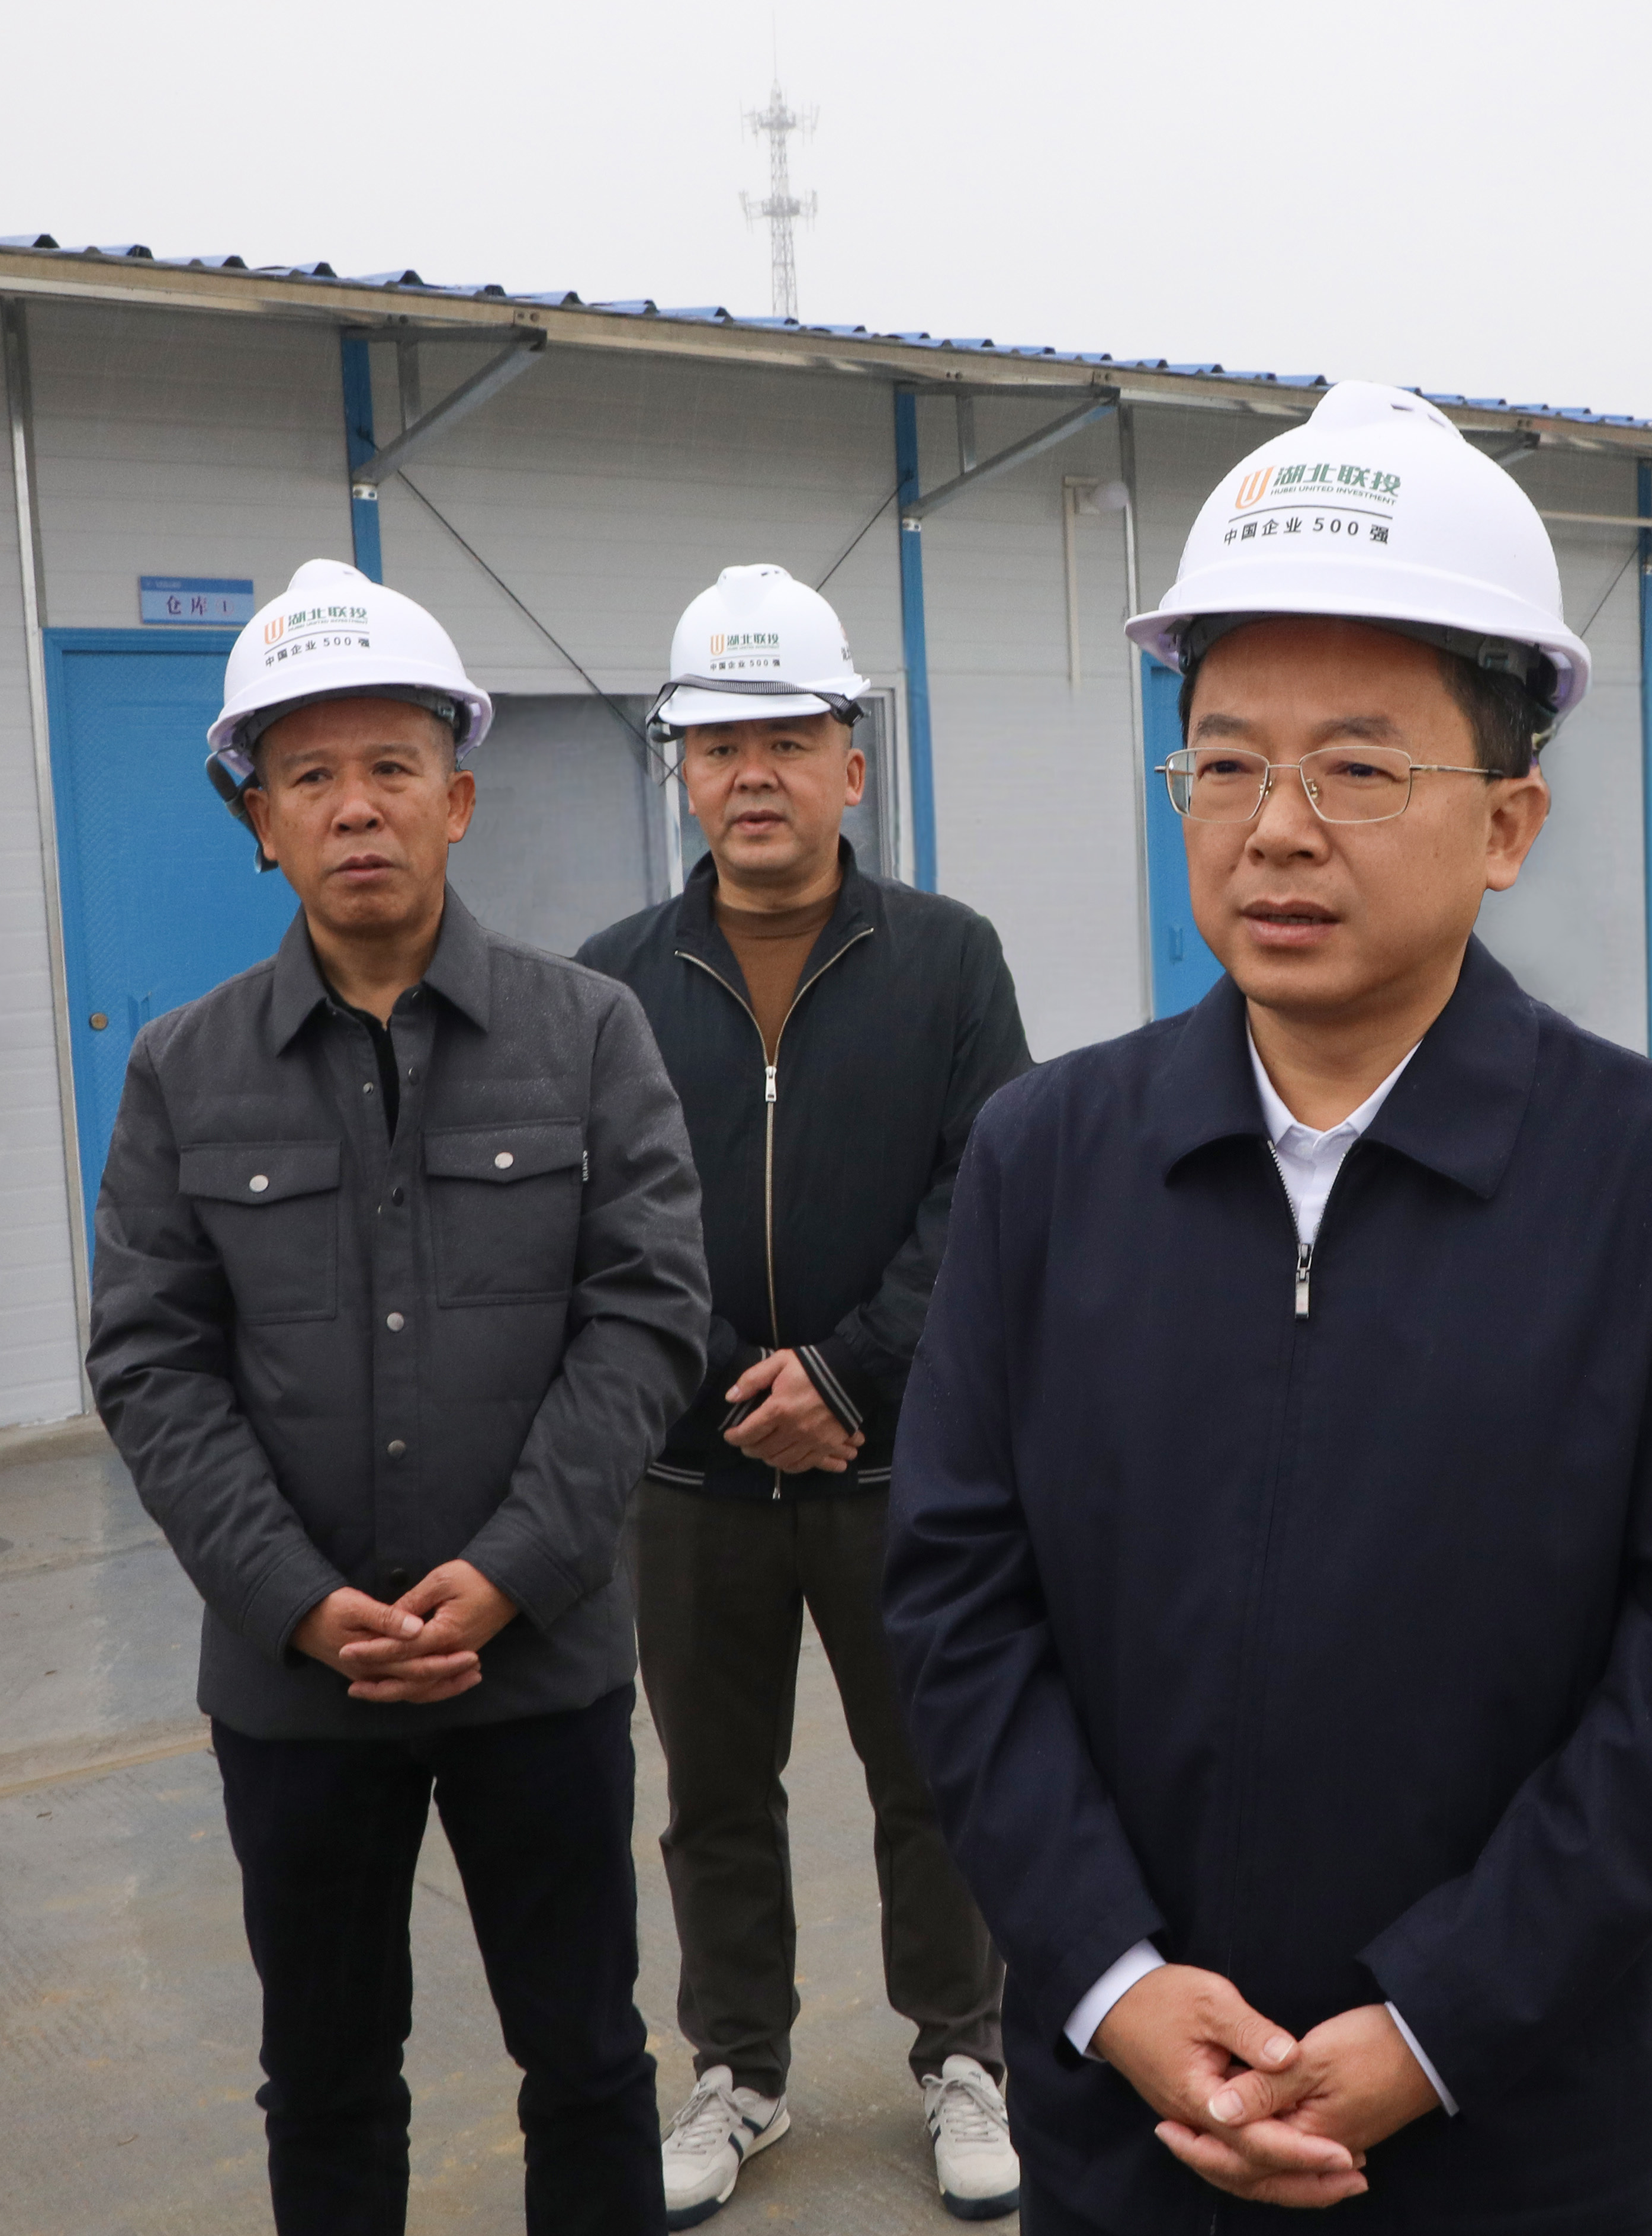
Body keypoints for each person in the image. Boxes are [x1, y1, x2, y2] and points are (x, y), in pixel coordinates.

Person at [883, 383, 1652, 2234]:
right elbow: (956, 1603)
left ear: (1510, 821)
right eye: (1226, 764)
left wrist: (1437, 2019)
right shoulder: (1044, 1163)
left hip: (1507, 2134)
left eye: (1359, 770)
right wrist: (1109, 1982)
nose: (1277, 830)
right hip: (1130, 2130)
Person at [90, 559, 711, 2236]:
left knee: (588, 2061)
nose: (354, 807)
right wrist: (298, 1602)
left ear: (459, 799)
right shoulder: (184, 1069)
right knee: (327, 2079)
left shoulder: (590, 1036)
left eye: (391, 768)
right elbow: (151, 1359)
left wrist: (511, 1570)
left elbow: (647, 1315)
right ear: (260, 822)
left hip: (540, 1669)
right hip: (298, 1695)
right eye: (309, 775)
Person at [576, 565, 1034, 2228]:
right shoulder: (612, 981)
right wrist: (730, 1386)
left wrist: (848, 1373)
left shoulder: (948, 961)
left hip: (901, 1464)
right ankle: (738, 2073)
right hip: (693, 1479)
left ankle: (964, 2056)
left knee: (936, 1775)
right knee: (712, 1794)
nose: (752, 773)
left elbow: (987, 1187)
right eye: (719, 744)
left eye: (786, 739)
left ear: (852, 760)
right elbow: (601, 1218)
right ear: (682, 772)